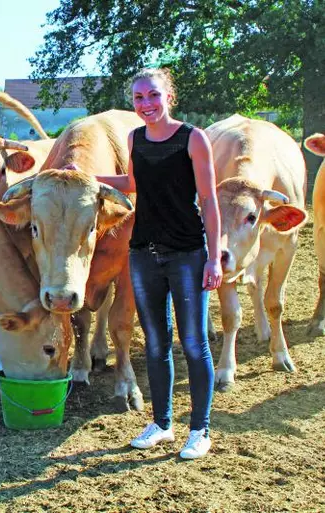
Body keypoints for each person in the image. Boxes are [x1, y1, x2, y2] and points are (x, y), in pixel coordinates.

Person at [95, 68, 221, 459]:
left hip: (186, 252)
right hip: (143, 252)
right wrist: (86, 176)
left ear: (169, 96)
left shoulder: (193, 138)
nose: (146, 104)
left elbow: (210, 200)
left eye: (152, 96)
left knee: (195, 344)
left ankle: (199, 429)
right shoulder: (135, 138)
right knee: (154, 343)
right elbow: (132, 183)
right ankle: (162, 423)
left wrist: (213, 257)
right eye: (138, 98)